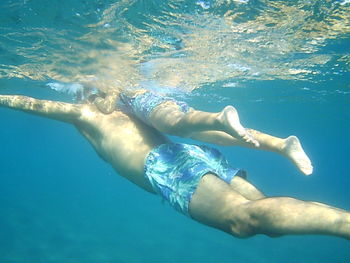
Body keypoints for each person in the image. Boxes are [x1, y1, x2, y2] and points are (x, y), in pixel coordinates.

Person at [0, 92, 349, 240]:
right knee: (266, 221)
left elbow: (33, 104)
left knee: (245, 220)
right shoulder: (121, 109)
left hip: (167, 166)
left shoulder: (87, 112)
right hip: (191, 153)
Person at [91, 88, 313, 175]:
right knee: (225, 137)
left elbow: (108, 107)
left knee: (174, 123)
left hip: (147, 103)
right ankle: (282, 145)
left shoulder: (111, 80)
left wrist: (95, 100)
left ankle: (218, 118)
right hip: (164, 103)